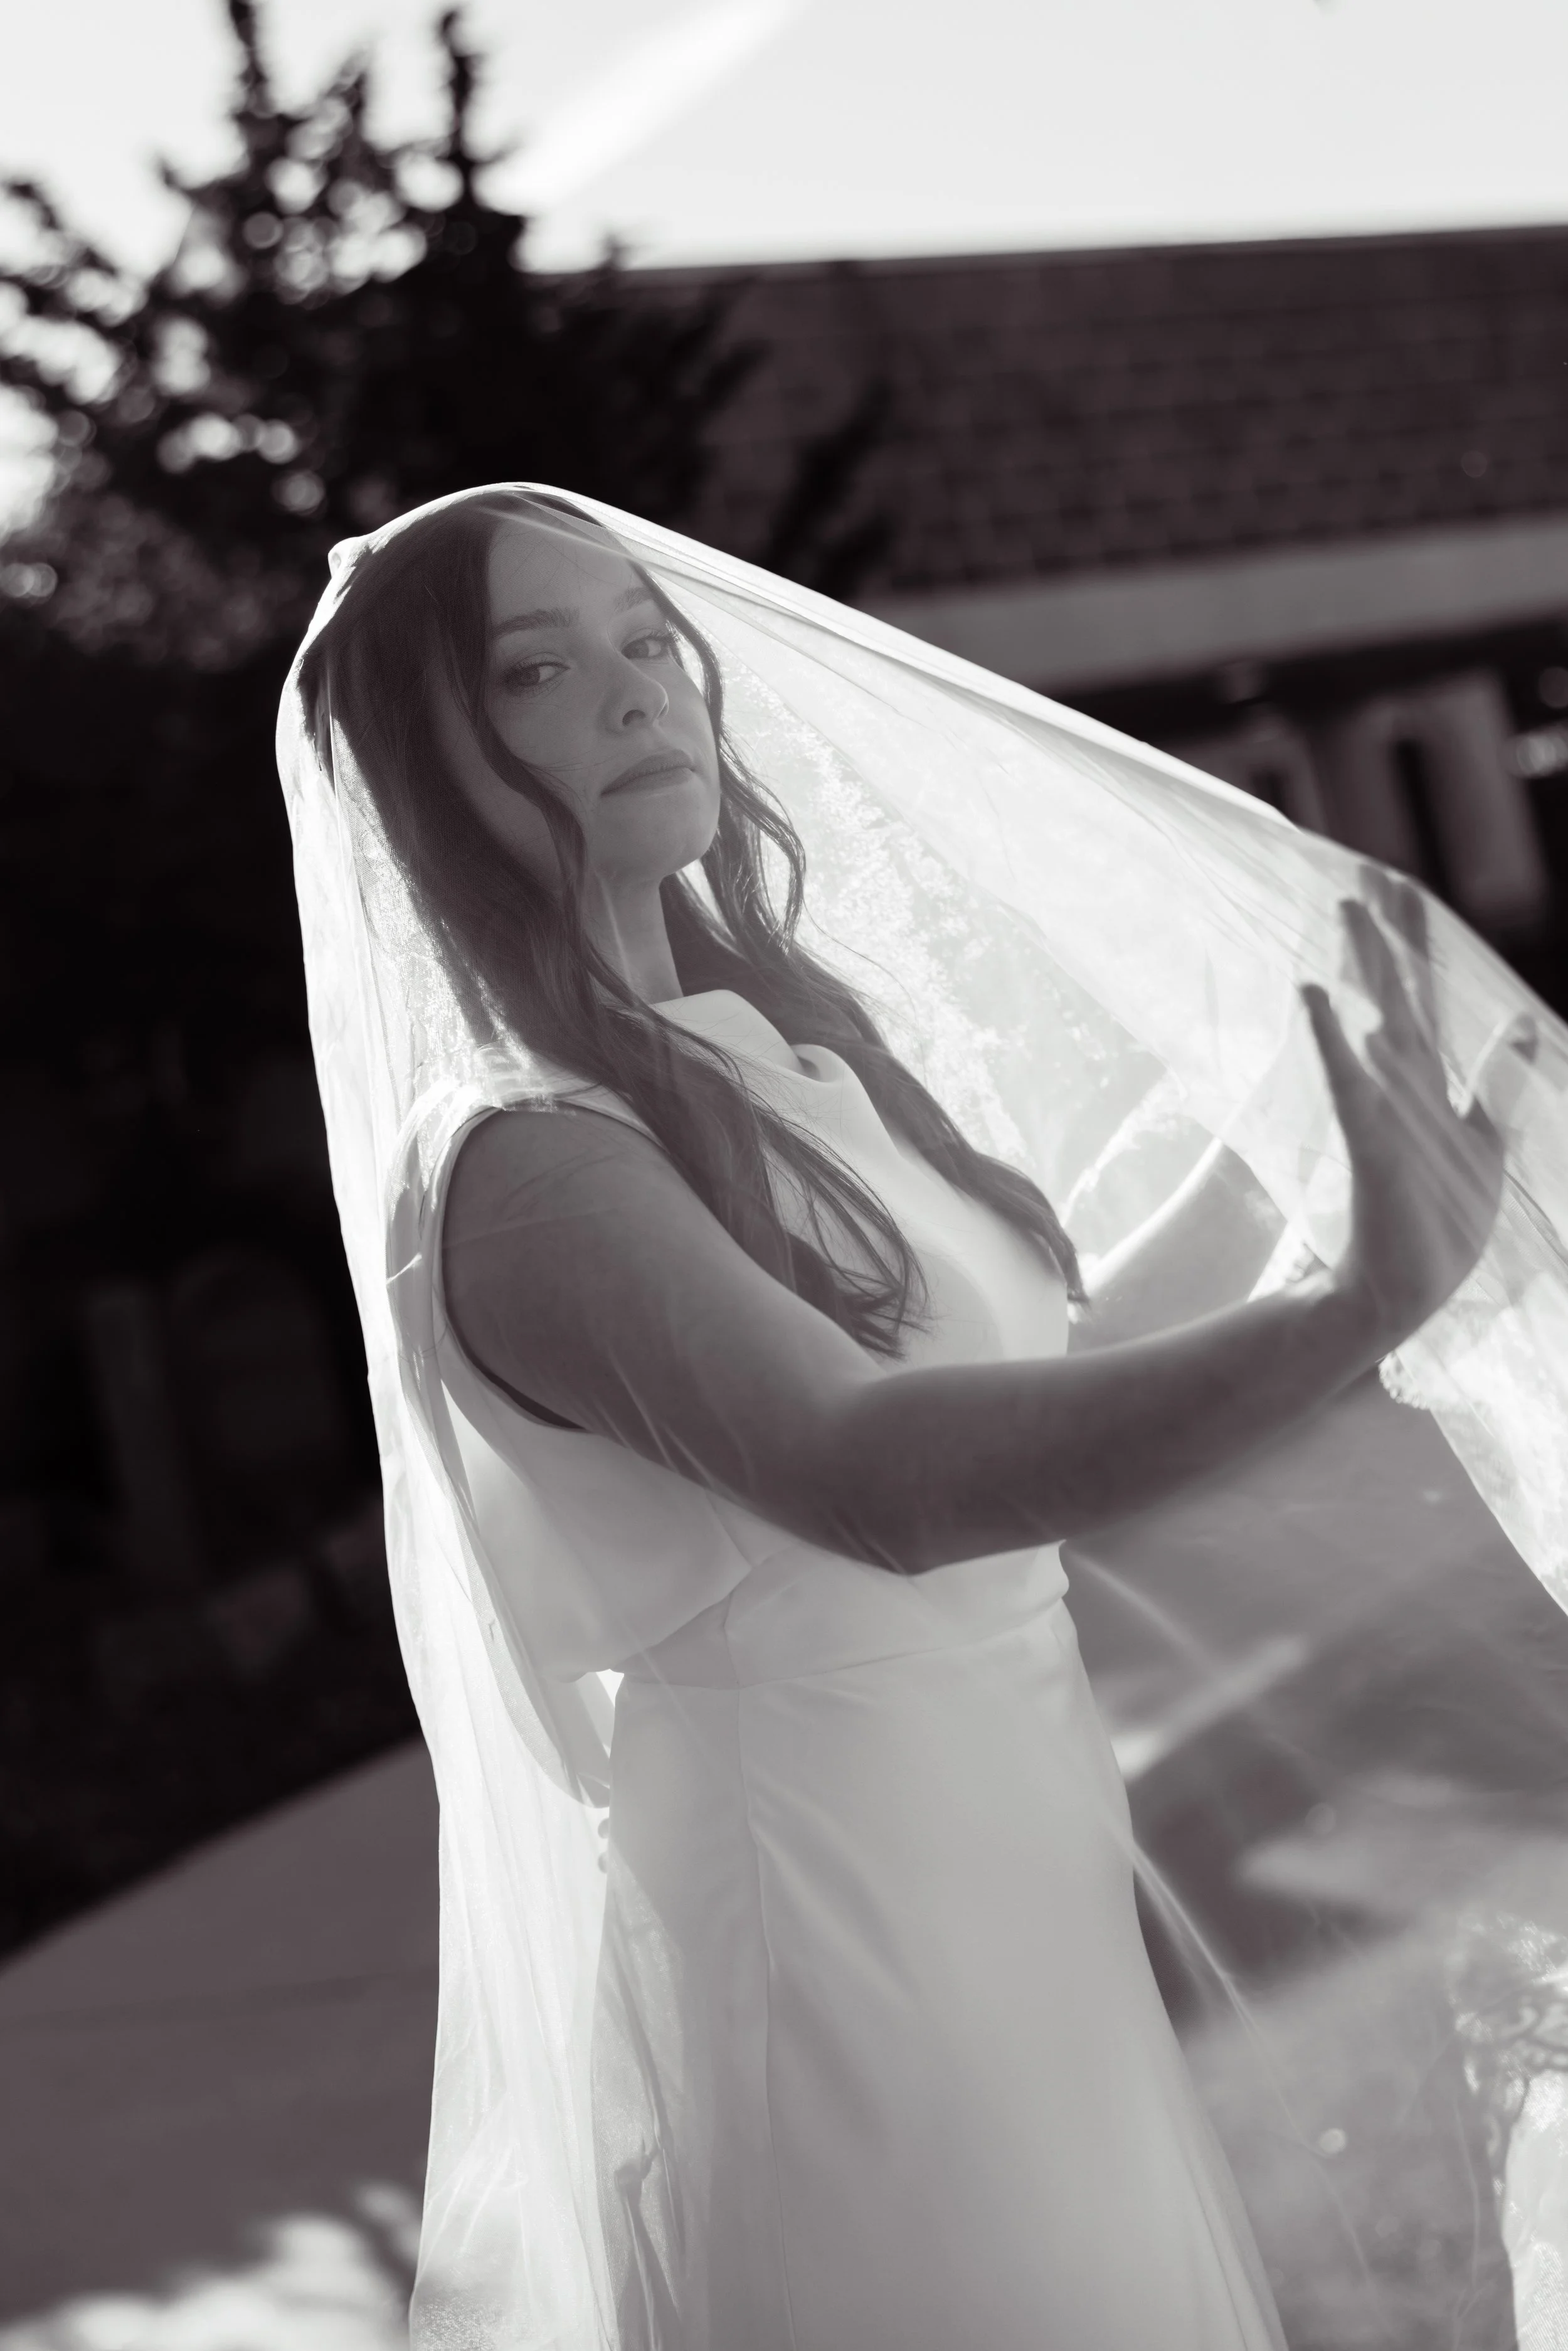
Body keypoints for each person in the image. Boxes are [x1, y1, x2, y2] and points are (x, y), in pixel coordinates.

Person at [280, 486, 1567, 2351]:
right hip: (828, 1903)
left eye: (647, 641)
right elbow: (872, 1476)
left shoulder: (770, 1056)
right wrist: (1351, 1302)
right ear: (421, 773)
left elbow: (1030, 1361)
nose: (635, 694)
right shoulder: (527, 1165)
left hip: (1014, 1849)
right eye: (536, 672)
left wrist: (1379, 1205)